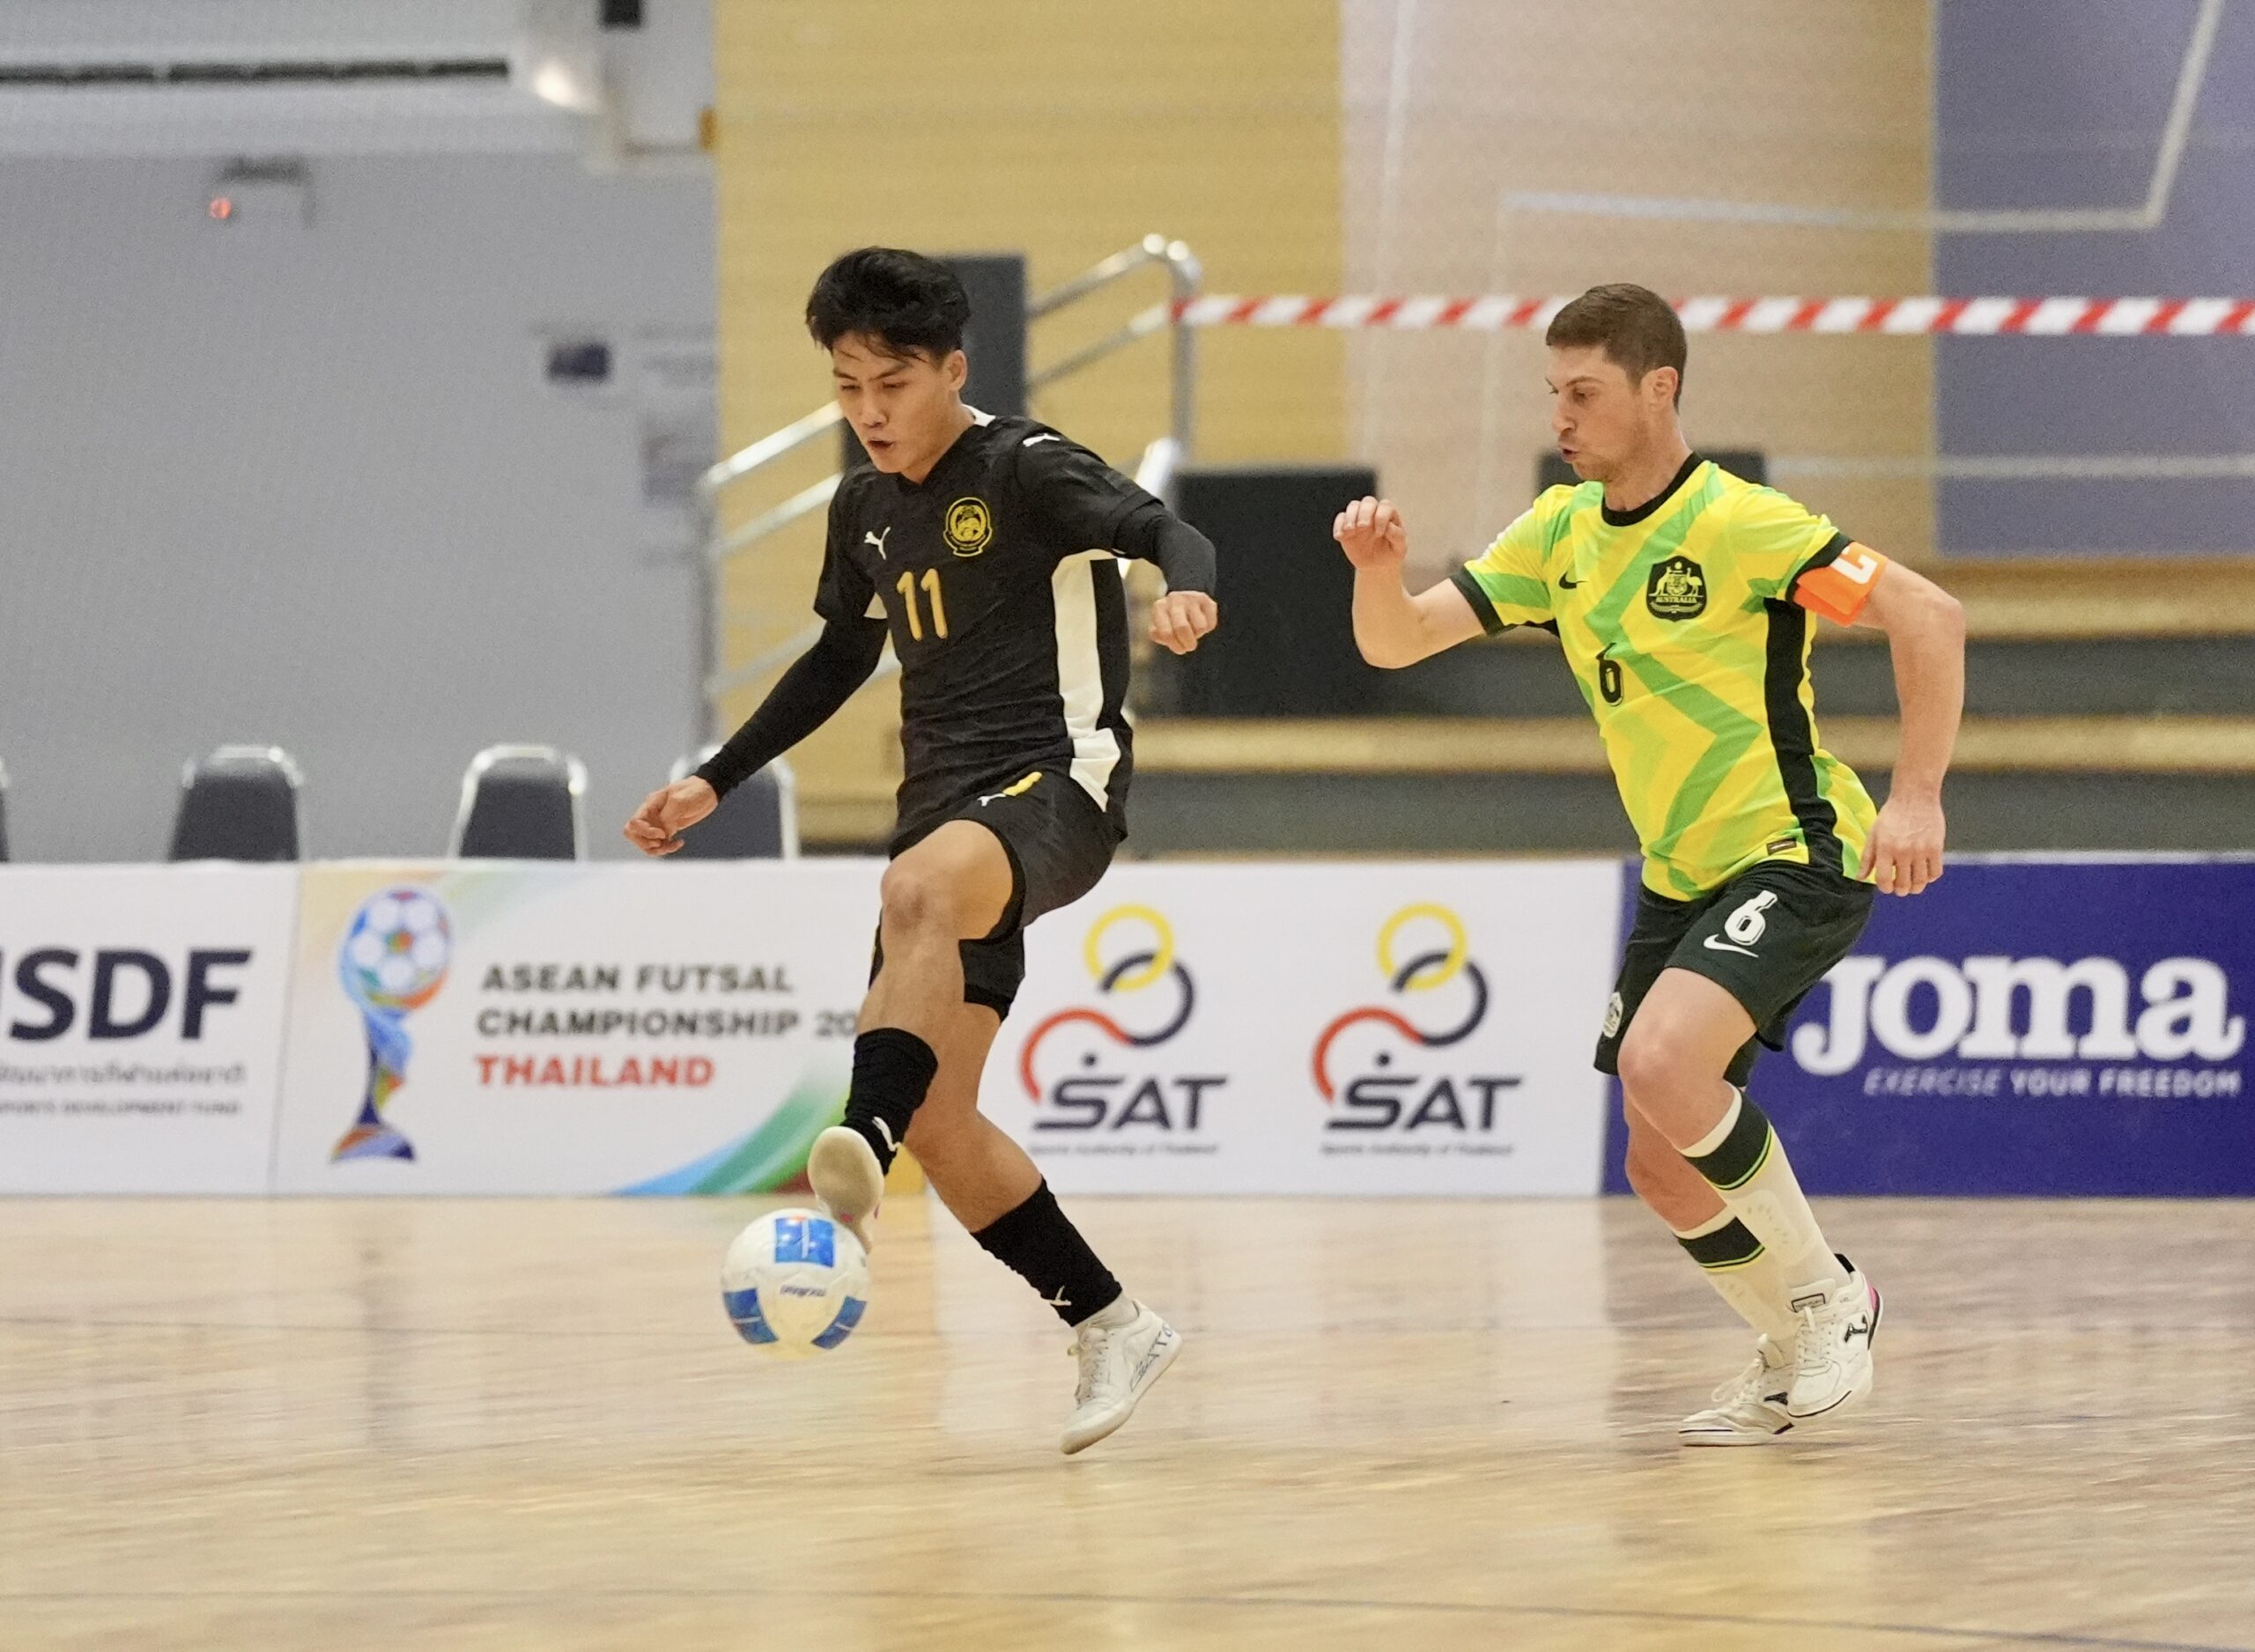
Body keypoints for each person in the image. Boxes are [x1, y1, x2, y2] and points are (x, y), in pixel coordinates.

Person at [1335, 283, 1965, 1444]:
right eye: (1554, 395)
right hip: (1682, 877)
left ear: (1657, 389)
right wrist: (1380, 568)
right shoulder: (1560, 536)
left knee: (1672, 1063)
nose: (1562, 417)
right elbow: (1398, 641)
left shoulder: (1740, 523)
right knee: (1659, 1157)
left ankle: (1832, 1298)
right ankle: (1783, 1347)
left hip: (1799, 848)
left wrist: (1917, 796)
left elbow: (1930, 615)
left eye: (1585, 393)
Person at [626, 248, 1217, 1454]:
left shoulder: (1026, 468)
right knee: (950, 1123)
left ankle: (858, 1150)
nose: (871, 414)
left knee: (916, 891)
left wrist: (1186, 595)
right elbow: (841, 657)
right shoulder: (862, 508)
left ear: (953, 369)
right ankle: (1110, 1320)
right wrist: (714, 779)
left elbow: (1168, 530)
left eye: (892, 385)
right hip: (947, 813)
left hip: (1062, 785)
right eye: (847, 389)